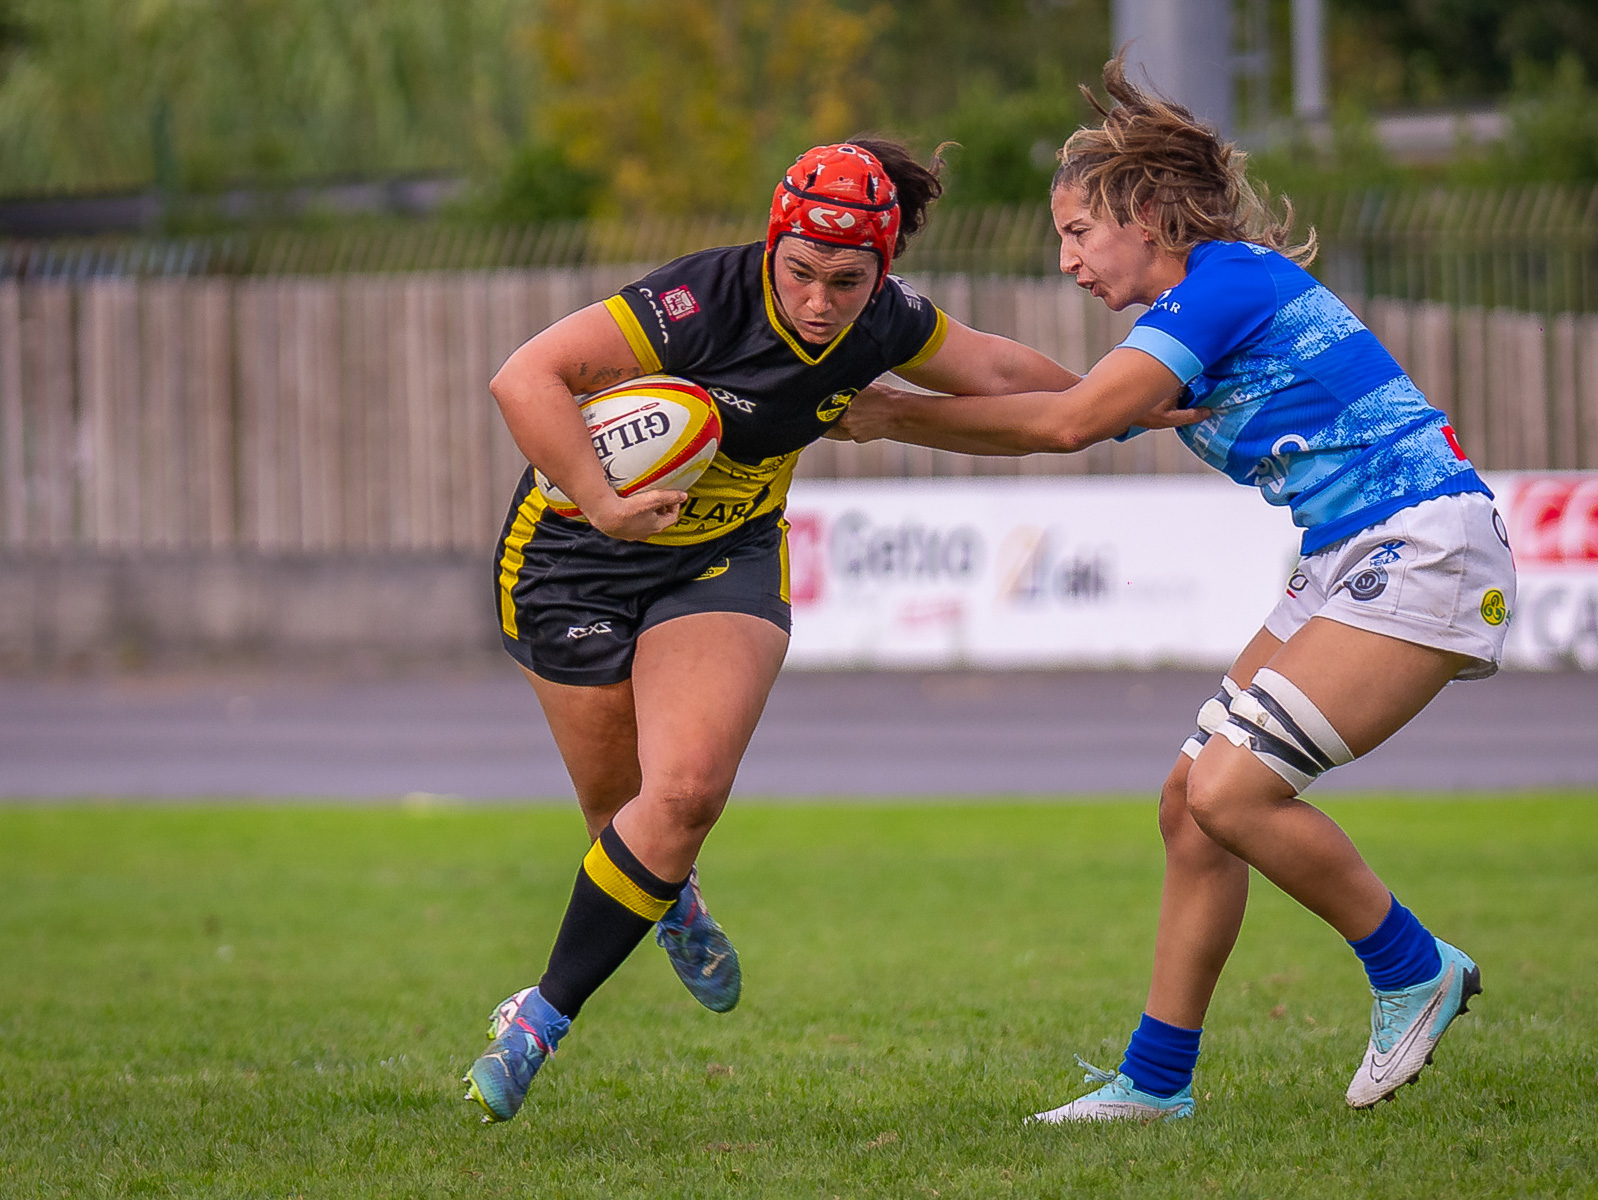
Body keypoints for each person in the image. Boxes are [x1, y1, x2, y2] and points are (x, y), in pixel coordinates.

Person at [833, 59, 1515, 1121]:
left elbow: (1067, 423)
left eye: (1077, 233)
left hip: (1422, 543)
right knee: (1190, 812)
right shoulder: (1199, 309)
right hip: (1347, 555)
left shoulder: (1227, 286)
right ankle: (1155, 1087)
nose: (1064, 261)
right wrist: (891, 392)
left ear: (1147, 215)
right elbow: (1071, 401)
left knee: (1231, 793)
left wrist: (892, 415)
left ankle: (1411, 967)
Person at [465, 138, 1084, 1123]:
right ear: (771, 244)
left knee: (685, 792)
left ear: (883, 269)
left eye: (848, 280)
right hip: (575, 556)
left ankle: (539, 1018)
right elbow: (522, 378)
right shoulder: (698, 303)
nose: (819, 300)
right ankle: (679, 904)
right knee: (620, 819)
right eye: (799, 271)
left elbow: (1003, 369)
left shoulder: (885, 322)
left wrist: (1120, 405)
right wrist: (604, 500)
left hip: (723, 556)